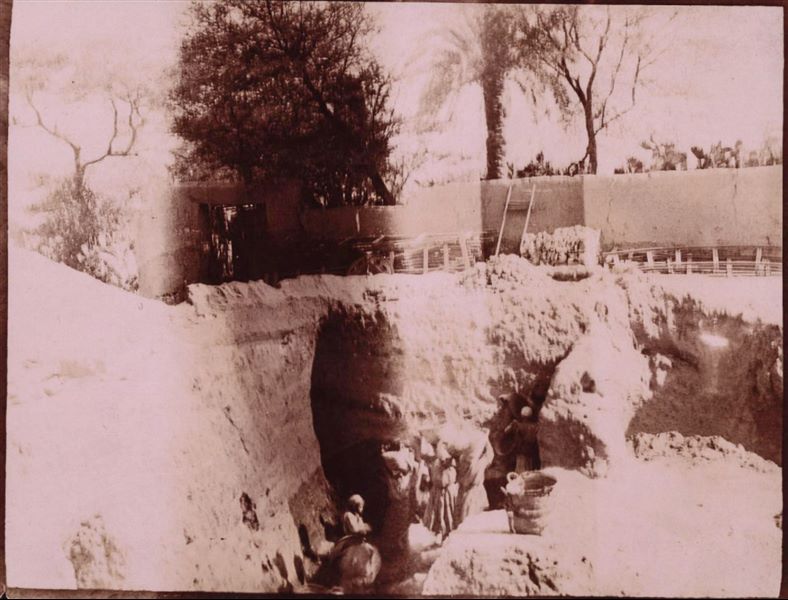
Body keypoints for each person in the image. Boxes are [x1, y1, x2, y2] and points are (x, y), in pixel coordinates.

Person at [423, 443, 459, 541]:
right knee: (438, 514)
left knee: (448, 514)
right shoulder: (435, 462)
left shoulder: (451, 464)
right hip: (437, 492)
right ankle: (440, 532)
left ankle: (447, 534)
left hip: (448, 492)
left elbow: (448, 478)